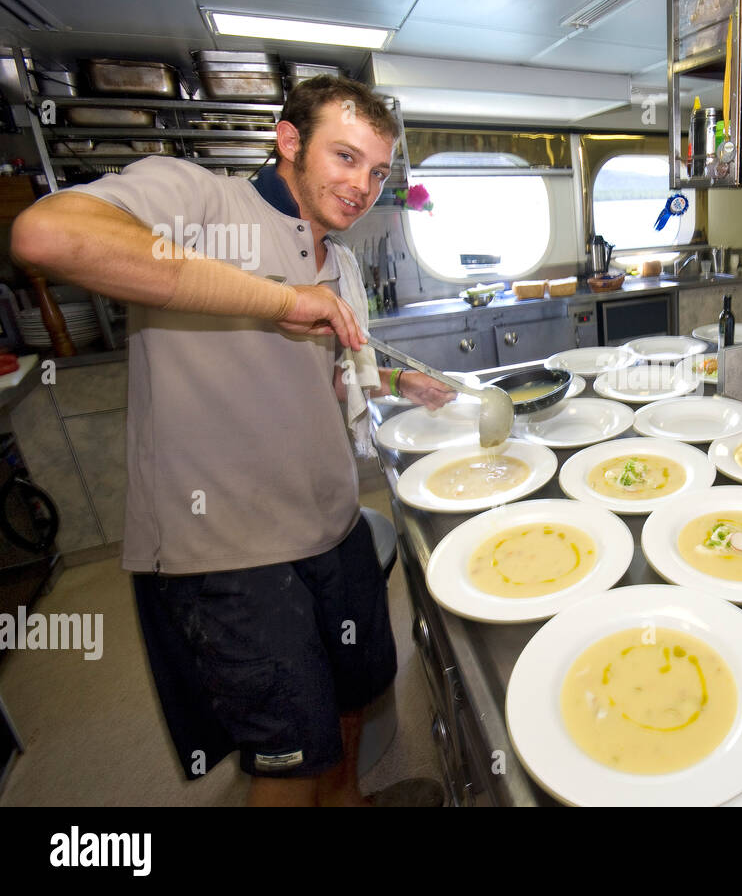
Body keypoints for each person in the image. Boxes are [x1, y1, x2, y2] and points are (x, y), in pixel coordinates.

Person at [12, 76, 453, 805]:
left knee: (347, 712)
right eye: (344, 157)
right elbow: (46, 234)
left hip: (331, 527)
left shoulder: (339, 262)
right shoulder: (202, 201)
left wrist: (396, 384)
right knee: (290, 759)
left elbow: (341, 367)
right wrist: (281, 300)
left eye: (377, 170)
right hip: (231, 554)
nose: (362, 185)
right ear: (289, 141)